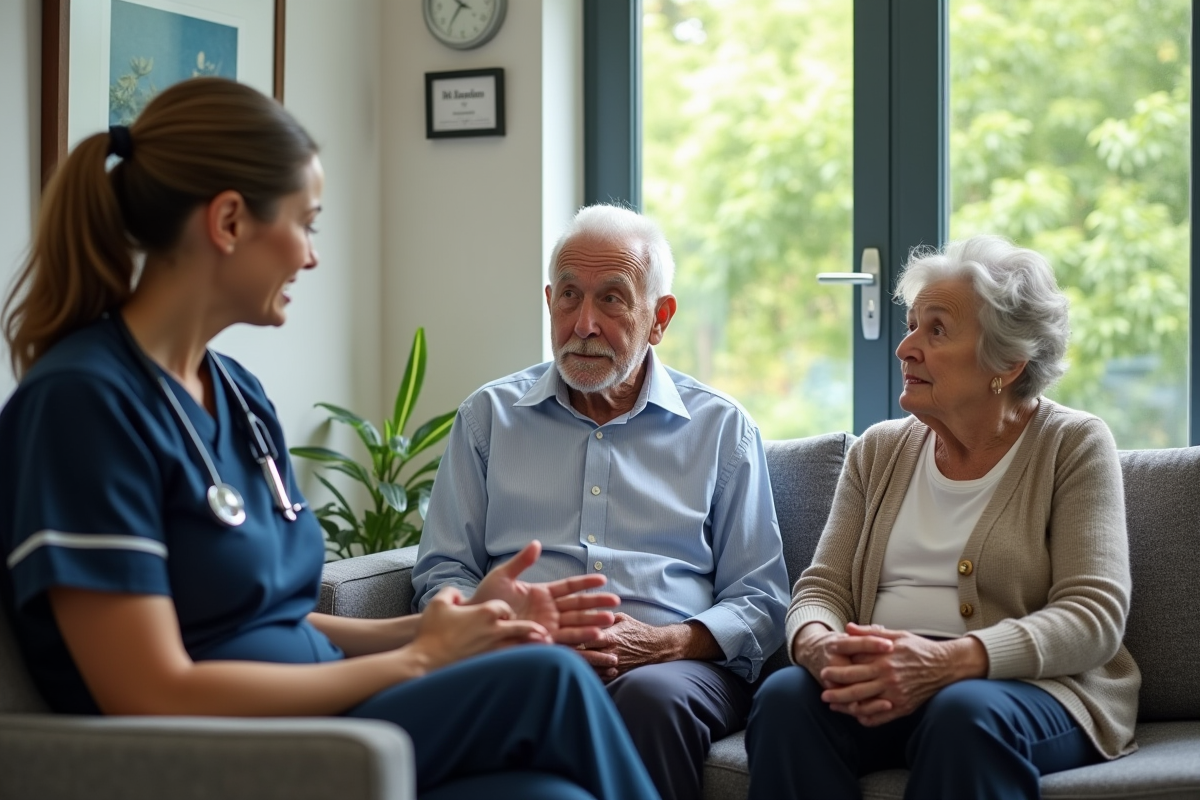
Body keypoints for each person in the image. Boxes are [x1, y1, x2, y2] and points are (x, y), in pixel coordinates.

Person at [0, 78, 661, 800]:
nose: (312, 256)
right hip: (226, 750)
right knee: (552, 679)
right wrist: (416, 662)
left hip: (320, 707)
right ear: (227, 222)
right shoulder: (82, 404)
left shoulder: (237, 395)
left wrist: (455, 625)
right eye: (307, 223)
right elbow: (151, 690)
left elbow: (276, 620)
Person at [411, 203, 790, 800]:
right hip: (527, 654)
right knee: (518, 687)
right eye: (568, 297)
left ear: (659, 317)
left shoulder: (722, 429)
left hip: (674, 667)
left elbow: (762, 599)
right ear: (549, 301)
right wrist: (509, 628)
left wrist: (664, 643)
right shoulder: (488, 417)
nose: (583, 323)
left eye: (612, 299)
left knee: (650, 698)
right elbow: (443, 571)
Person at [745, 235, 1140, 800]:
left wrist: (951, 660)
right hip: (886, 677)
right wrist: (817, 645)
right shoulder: (878, 450)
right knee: (786, 698)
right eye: (910, 326)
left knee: (962, 713)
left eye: (936, 330)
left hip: (1030, 689)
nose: (906, 347)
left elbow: (1093, 615)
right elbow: (821, 587)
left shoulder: (1072, 444)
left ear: (1005, 362)